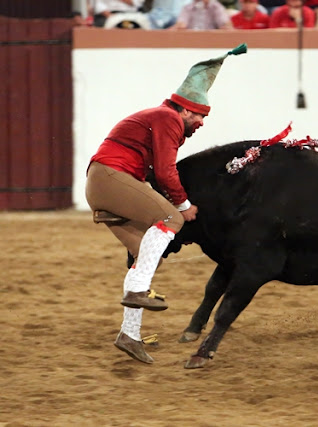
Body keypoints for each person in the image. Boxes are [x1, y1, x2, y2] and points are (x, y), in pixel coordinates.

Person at [85, 44, 248, 364]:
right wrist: (184, 205)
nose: (201, 122)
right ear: (184, 110)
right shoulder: (168, 118)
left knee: (144, 257)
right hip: (110, 177)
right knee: (172, 219)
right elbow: (164, 171)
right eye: (199, 115)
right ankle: (137, 291)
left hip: (104, 180)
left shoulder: (159, 118)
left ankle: (129, 335)